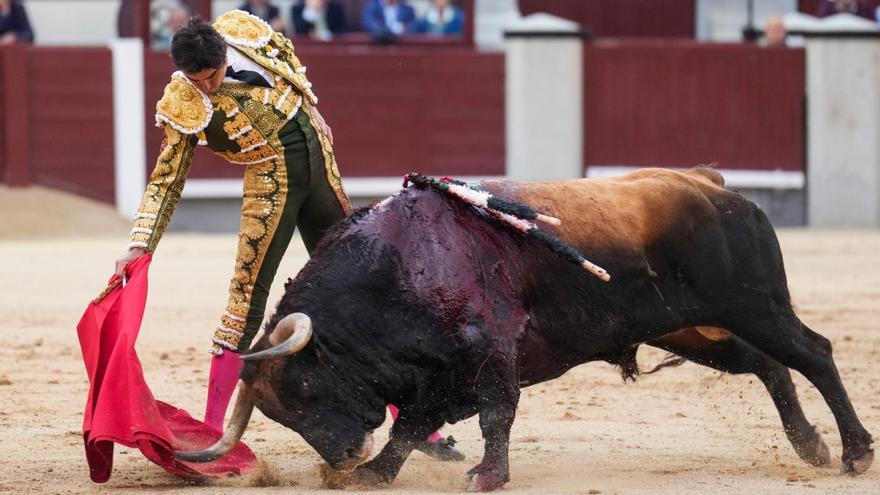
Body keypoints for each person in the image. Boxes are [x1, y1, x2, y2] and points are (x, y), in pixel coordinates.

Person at [114, 10, 462, 462]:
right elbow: (168, 178)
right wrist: (140, 242)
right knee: (245, 301)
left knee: (366, 291)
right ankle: (212, 432)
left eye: (212, 77)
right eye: (195, 80)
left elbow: (290, 65)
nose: (207, 88)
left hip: (319, 166)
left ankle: (417, 427)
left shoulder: (245, 31)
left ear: (225, 53)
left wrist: (312, 109)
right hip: (270, 185)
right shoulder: (183, 99)